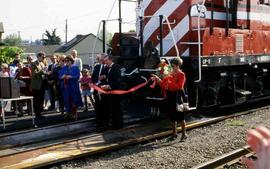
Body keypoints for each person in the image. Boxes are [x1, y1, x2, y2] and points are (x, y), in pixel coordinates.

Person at [151, 57, 188, 141]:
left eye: (173, 66)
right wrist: (158, 79)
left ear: (178, 66)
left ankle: (184, 134)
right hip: (170, 96)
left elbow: (179, 86)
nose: (172, 67)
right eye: (171, 66)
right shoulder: (170, 74)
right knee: (172, 116)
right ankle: (174, 133)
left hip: (177, 96)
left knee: (180, 116)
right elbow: (163, 85)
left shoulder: (181, 74)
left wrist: (169, 82)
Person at [101, 54, 123, 129]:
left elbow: (118, 80)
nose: (105, 62)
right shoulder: (107, 68)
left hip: (116, 92)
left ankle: (119, 125)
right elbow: (107, 78)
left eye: (106, 60)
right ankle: (113, 124)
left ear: (111, 60)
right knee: (112, 109)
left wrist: (109, 86)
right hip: (109, 92)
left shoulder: (116, 67)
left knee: (117, 109)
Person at [59, 55, 83, 120]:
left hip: (73, 86)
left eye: (67, 61)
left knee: (74, 100)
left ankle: (74, 114)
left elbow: (77, 76)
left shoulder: (75, 68)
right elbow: (60, 76)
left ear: (71, 61)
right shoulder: (64, 68)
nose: (66, 62)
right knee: (66, 100)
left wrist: (71, 77)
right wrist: (62, 77)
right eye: (65, 61)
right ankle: (68, 114)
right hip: (66, 87)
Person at [92, 53, 109, 127]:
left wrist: (104, 80)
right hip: (96, 88)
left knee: (105, 106)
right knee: (97, 105)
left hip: (104, 89)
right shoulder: (97, 67)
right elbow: (93, 77)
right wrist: (95, 83)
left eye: (99, 58)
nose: (98, 60)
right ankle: (98, 121)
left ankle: (105, 122)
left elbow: (110, 78)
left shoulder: (108, 67)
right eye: (97, 59)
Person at [30, 51, 47, 119]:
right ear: (39, 57)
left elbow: (43, 72)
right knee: (37, 99)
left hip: (42, 84)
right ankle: (37, 114)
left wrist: (46, 72)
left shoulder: (42, 63)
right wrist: (43, 71)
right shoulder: (33, 63)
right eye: (43, 57)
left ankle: (39, 113)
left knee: (41, 99)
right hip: (36, 85)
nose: (44, 58)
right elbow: (34, 74)